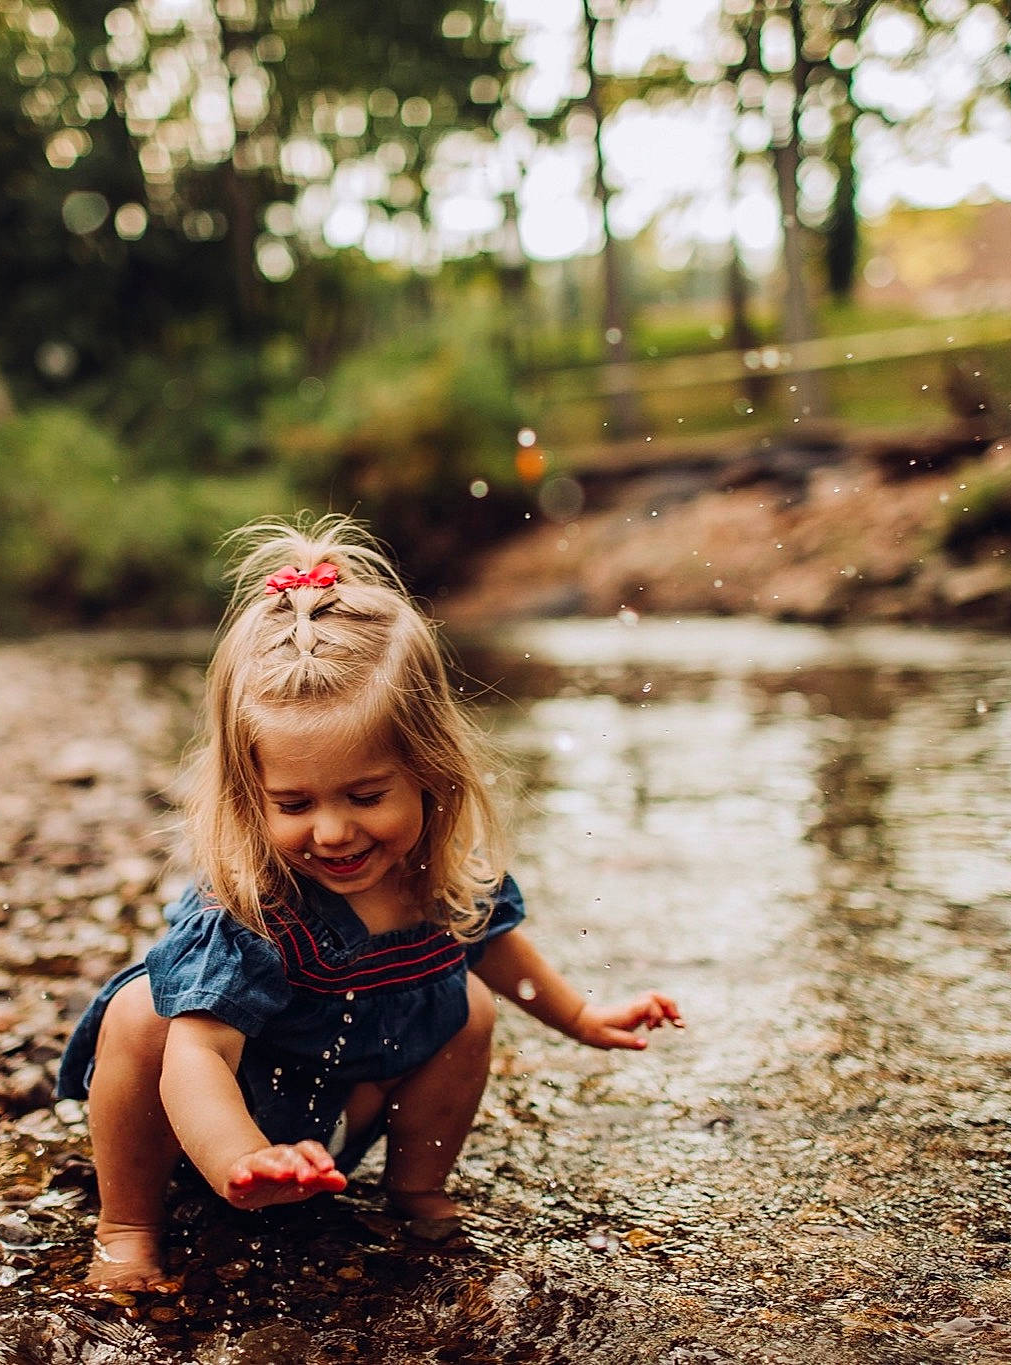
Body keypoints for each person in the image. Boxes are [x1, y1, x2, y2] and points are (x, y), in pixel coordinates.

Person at [54, 514, 682, 1290]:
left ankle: (417, 1189)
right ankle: (127, 1230)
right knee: (144, 1013)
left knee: (471, 1006)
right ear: (250, 795)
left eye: (365, 794)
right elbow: (199, 1057)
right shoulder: (251, 906)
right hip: (205, 1127)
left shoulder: (442, 878)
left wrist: (582, 1017)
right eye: (293, 803)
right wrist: (240, 1156)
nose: (333, 830)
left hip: (329, 1123)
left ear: (429, 768)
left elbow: (497, 952)